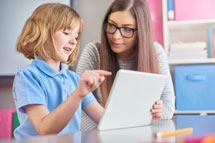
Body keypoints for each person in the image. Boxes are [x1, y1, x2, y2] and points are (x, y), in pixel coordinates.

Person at [12, 3, 111, 139]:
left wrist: (147, 114)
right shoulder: (27, 77)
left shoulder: (75, 79)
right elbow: (45, 128)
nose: (73, 41)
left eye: (76, 36)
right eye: (66, 33)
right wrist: (78, 94)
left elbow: (106, 120)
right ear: (43, 32)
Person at [76, 0, 175, 131]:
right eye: (112, 25)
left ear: (141, 31)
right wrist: (102, 135)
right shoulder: (93, 52)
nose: (116, 36)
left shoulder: (155, 52)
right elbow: (77, 105)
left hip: (142, 135)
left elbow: (168, 106)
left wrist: (157, 113)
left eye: (127, 29)